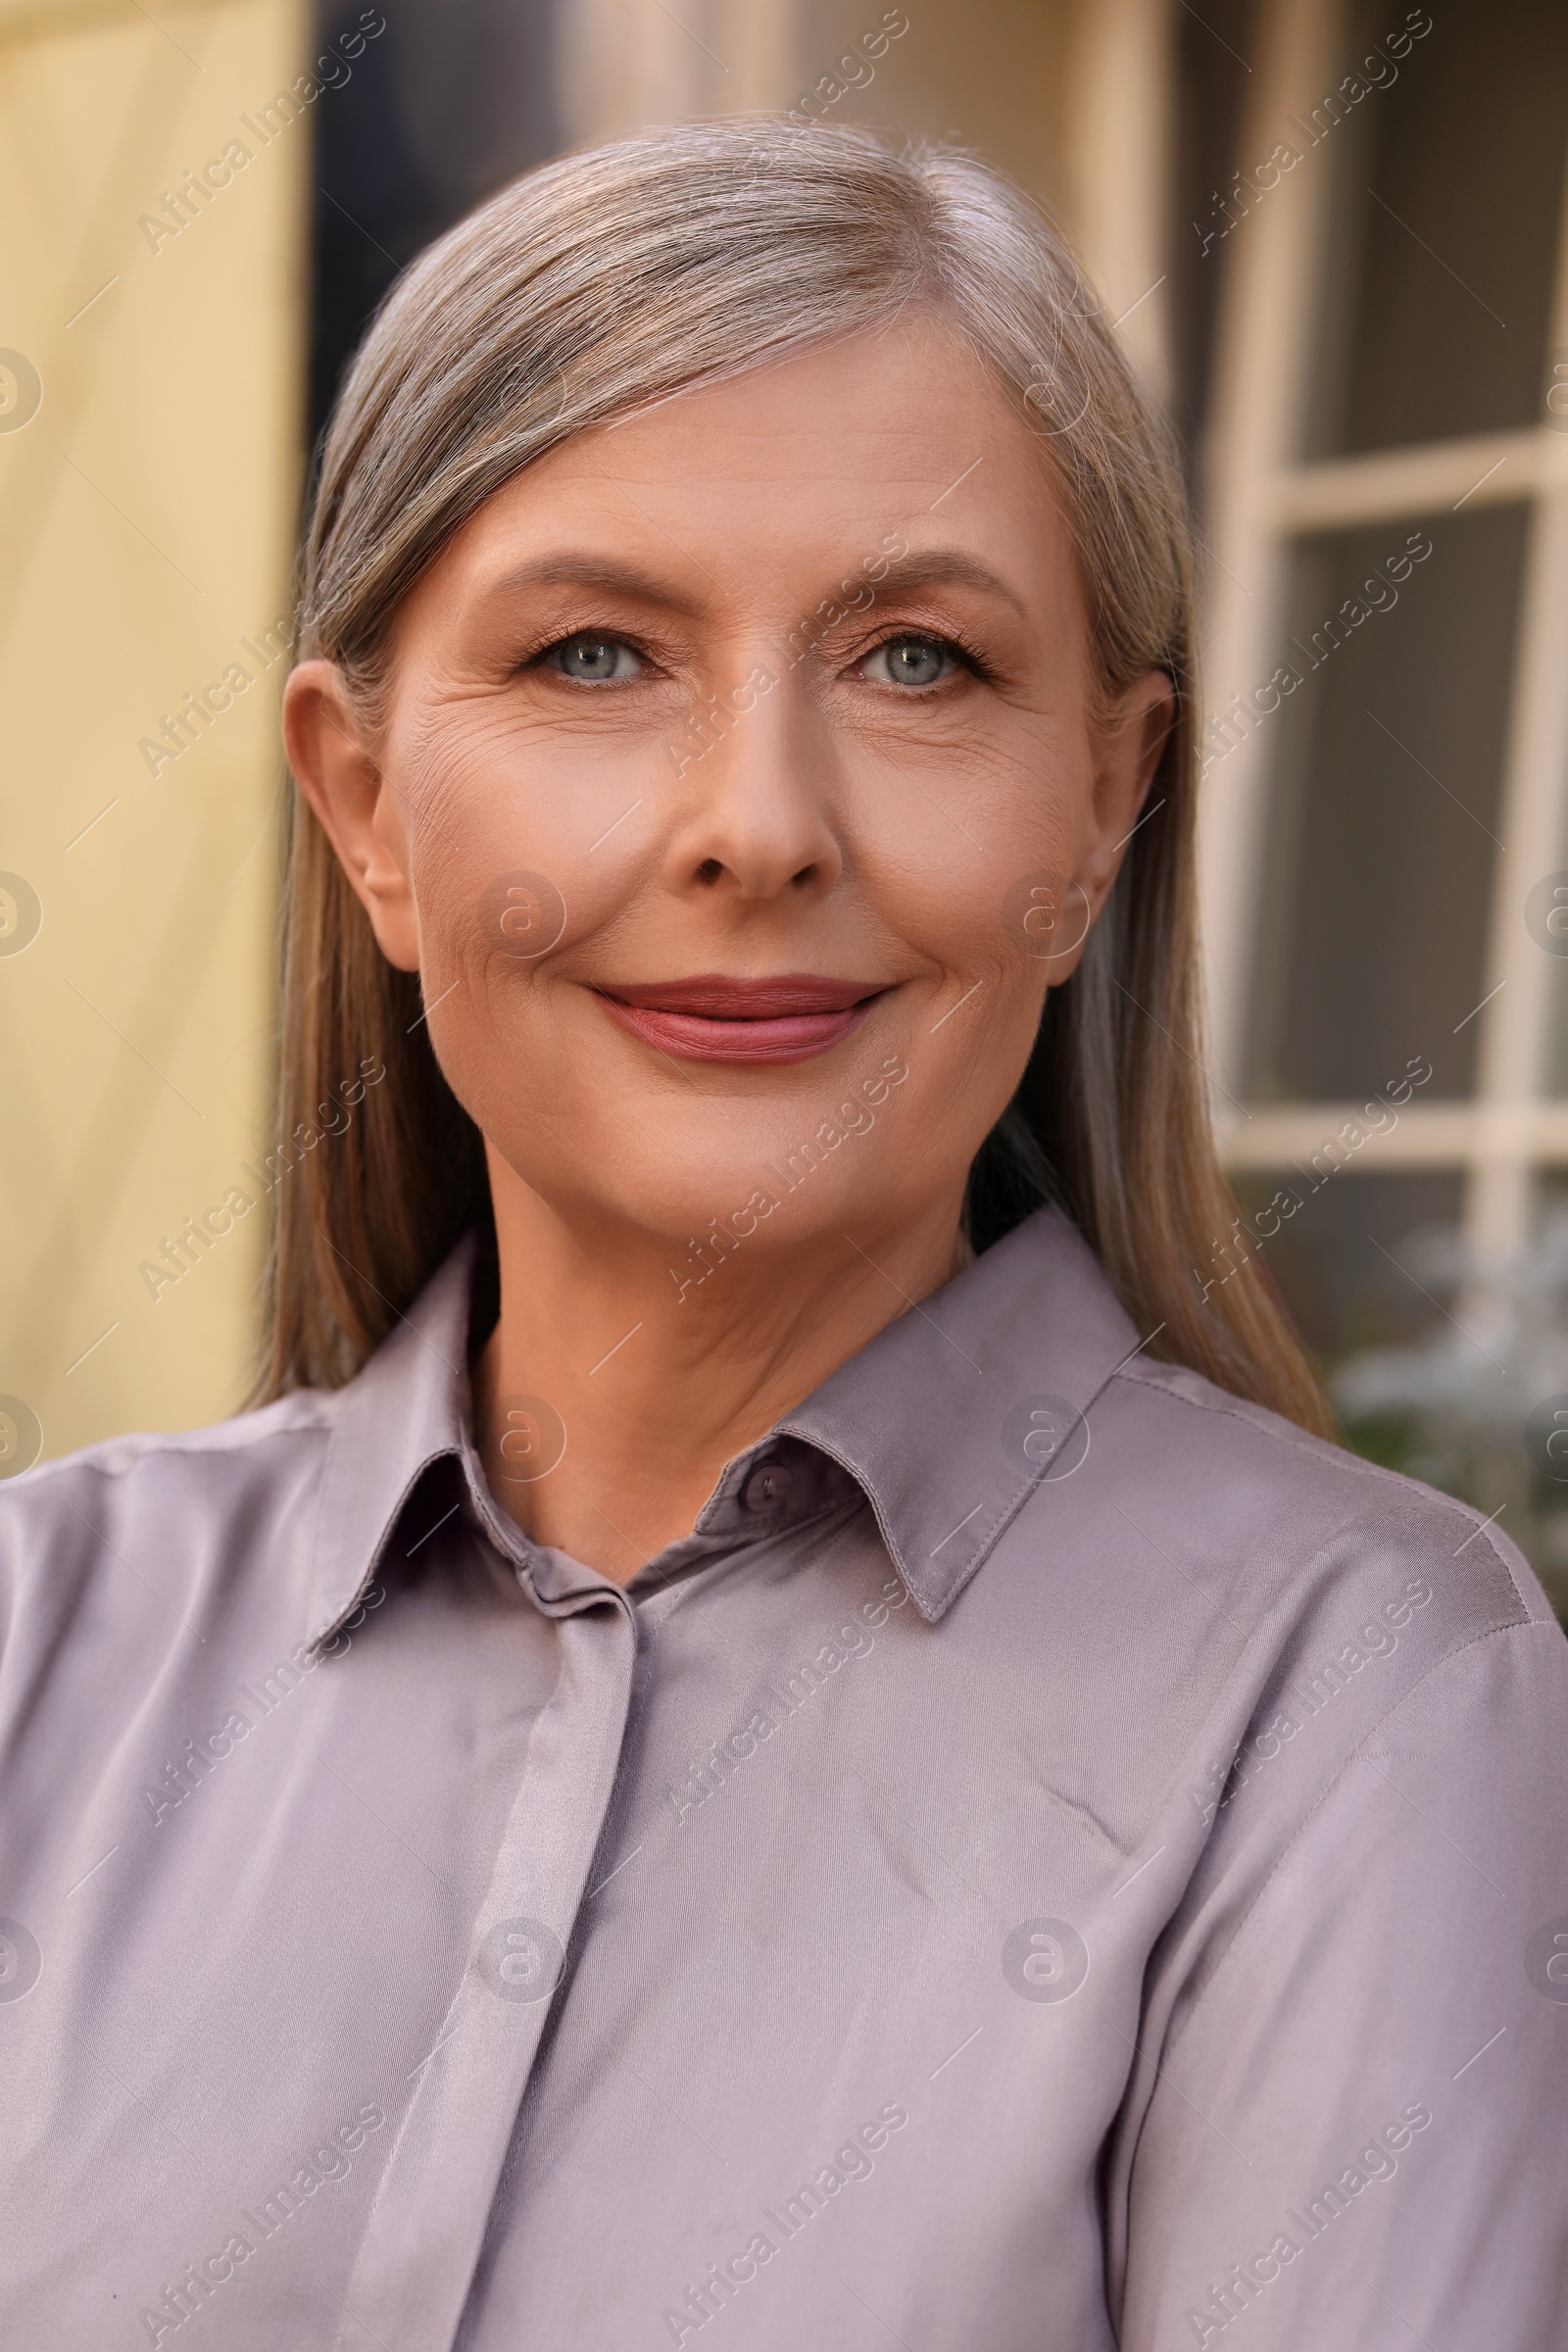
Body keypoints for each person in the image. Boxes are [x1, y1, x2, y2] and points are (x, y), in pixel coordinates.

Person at [2, 122, 1563, 2352]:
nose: (757, 824)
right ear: (362, 806)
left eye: (916, 662)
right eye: (595, 658)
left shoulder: (1357, 1702)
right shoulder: (37, 1641)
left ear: (1102, 806)